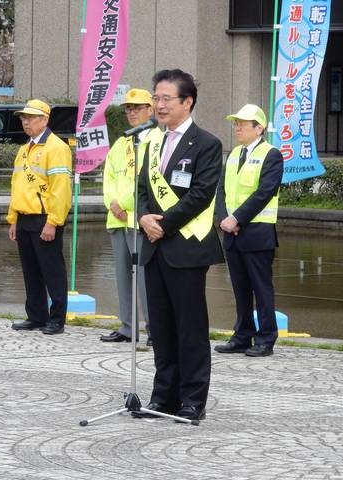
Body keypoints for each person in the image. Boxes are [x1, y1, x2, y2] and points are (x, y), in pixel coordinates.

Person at [133, 69, 224, 422]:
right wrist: (143, 218)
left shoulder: (207, 144)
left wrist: (163, 226)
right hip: (154, 247)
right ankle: (162, 397)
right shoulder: (152, 141)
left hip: (185, 248)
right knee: (161, 327)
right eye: (156, 98)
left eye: (166, 98)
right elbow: (141, 188)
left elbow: (201, 195)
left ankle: (192, 401)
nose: (158, 104)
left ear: (187, 102)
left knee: (189, 328)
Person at [214, 104, 283, 357]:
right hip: (231, 233)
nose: (237, 127)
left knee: (261, 289)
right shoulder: (233, 154)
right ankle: (242, 335)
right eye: (236, 123)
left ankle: (266, 338)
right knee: (240, 288)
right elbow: (220, 189)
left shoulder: (271, 154)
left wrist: (237, 219)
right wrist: (223, 218)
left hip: (256, 233)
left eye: (243, 123)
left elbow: (264, 193)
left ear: (259, 128)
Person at [8, 100, 72, 335]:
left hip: (45, 218)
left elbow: (61, 189)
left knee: (52, 271)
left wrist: (53, 221)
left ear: (44, 120)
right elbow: (17, 185)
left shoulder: (56, 147)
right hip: (25, 217)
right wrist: (13, 217)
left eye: (31, 117)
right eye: (23, 117)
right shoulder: (24, 148)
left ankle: (57, 320)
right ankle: (36, 316)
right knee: (31, 271)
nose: (25, 121)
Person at [100, 88, 156, 345]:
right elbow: (108, 177)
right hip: (118, 218)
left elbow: (147, 181)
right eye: (129, 108)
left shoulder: (156, 140)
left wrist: (122, 203)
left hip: (140, 219)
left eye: (137, 107)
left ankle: (154, 330)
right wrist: (112, 204)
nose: (132, 112)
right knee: (122, 276)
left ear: (150, 109)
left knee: (146, 278)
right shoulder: (122, 142)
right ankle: (127, 327)